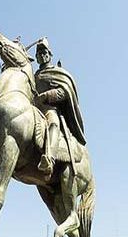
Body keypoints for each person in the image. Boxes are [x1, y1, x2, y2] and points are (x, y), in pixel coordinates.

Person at [34, 38, 86, 176]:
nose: (41, 55)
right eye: (38, 53)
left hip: (49, 109)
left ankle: (49, 158)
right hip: (33, 110)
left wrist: (46, 96)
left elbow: (65, 91)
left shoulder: (57, 72)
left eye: (44, 52)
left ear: (50, 55)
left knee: (53, 123)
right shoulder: (33, 77)